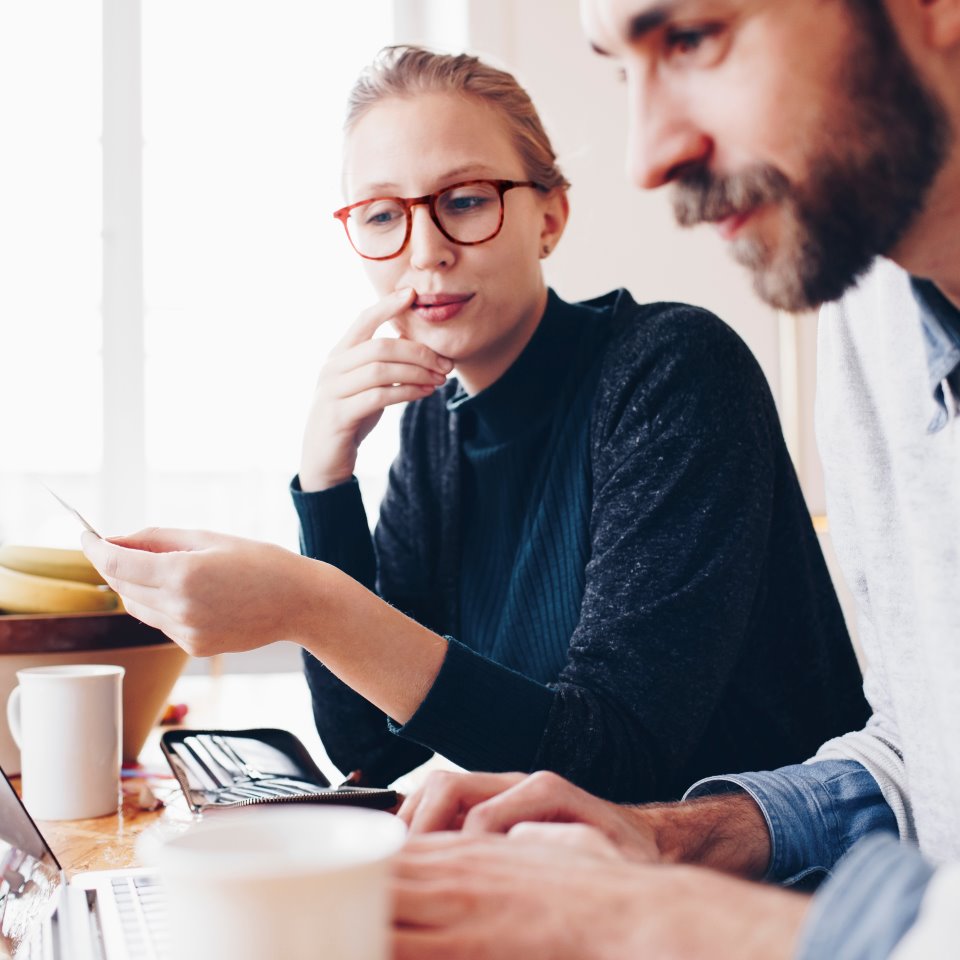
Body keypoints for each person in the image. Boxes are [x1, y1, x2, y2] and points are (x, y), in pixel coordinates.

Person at [79, 45, 866, 805]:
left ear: (550, 217)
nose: (425, 251)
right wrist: (326, 481)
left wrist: (307, 601)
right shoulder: (438, 429)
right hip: (567, 898)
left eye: (463, 201)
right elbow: (372, 749)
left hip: (769, 904)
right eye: (384, 215)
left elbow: (613, 765)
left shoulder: (673, 370)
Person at [389, 0, 960, 958]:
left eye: (693, 38)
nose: (645, 156)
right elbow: (919, 762)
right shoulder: (871, 320)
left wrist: (708, 925)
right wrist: (668, 838)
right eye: (622, 68)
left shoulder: (669, 368)